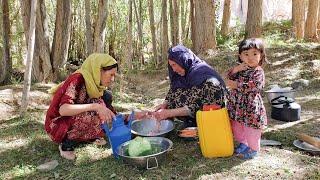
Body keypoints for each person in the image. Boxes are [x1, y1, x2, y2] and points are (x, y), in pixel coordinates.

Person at [45, 53, 146, 160]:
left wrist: (133, 117)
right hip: (58, 124)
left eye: (114, 76)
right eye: (111, 75)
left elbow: (112, 115)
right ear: (99, 71)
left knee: (105, 103)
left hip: (74, 118)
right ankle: (66, 144)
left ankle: (87, 137)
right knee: (96, 113)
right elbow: (63, 110)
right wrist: (95, 106)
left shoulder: (97, 87)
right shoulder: (77, 78)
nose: (112, 79)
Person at [152, 45, 226, 127]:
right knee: (175, 95)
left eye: (174, 65)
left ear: (183, 60)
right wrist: (164, 105)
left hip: (208, 119)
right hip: (191, 115)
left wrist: (168, 113)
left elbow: (195, 106)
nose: (173, 69)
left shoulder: (205, 78)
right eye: (171, 66)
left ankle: (196, 125)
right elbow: (173, 90)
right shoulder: (183, 72)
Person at [226, 38, 267, 159]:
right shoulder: (240, 69)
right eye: (246, 54)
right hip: (237, 105)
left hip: (251, 106)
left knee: (251, 128)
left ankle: (253, 148)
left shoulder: (258, 72)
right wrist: (236, 69)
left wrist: (236, 85)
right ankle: (244, 143)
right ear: (240, 56)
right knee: (237, 126)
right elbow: (228, 76)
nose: (250, 57)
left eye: (255, 54)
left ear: (261, 55)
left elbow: (255, 86)